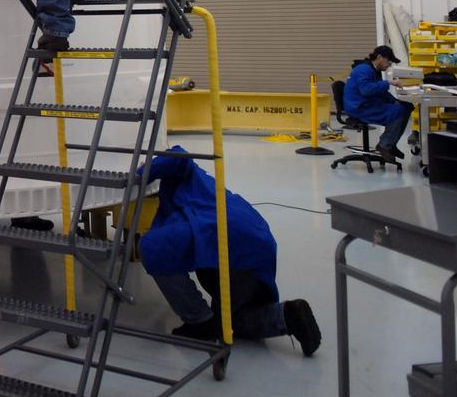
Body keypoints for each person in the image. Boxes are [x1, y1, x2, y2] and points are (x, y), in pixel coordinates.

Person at [141, 147, 321, 356]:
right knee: (233, 316)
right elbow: (178, 157)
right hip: (255, 246)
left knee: (152, 248)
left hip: (235, 250)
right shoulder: (202, 185)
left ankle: (201, 321)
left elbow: (177, 156)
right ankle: (287, 315)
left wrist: (137, 175)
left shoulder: (183, 190)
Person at [343, 45, 415, 163]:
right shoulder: (364, 69)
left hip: (367, 103)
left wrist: (394, 100)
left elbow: (381, 92)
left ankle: (391, 144)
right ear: (380, 57)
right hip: (359, 107)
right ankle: (384, 145)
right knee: (399, 111)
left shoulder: (373, 70)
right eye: (389, 61)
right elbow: (366, 90)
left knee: (406, 106)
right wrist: (389, 82)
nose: (389, 64)